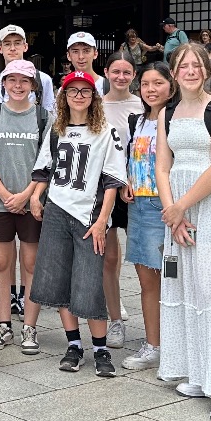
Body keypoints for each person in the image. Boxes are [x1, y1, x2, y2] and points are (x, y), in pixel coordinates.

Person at [157, 42, 211, 421]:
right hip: (176, 208)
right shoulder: (167, 111)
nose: (190, 71)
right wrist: (172, 211)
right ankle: (198, 370)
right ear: (174, 72)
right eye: (183, 65)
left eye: (196, 65)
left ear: (206, 70)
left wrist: (182, 206)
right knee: (185, 286)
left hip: (210, 206)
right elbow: (162, 165)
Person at [26, 70, 127, 376]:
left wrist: (102, 221)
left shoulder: (106, 132)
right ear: (64, 96)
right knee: (58, 282)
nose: (79, 96)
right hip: (57, 210)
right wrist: (35, 197)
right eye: (73, 91)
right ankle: (74, 345)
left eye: (85, 91)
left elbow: (112, 181)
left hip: (89, 215)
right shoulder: (57, 129)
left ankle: (100, 348)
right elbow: (45, 168)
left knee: (88, 281)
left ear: (93, 97)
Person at [0, 59, 46, 353]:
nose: (18, 86)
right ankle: (4, 326)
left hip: (33, 202)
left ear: (33, 86)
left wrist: (26, 195)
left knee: (31, 264)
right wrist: (6, 196)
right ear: (3, 83)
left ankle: (30, 327)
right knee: (1, 265)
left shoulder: (43, 117)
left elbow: (47, 161)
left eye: (24, 81)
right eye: (12, 80)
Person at [119, 61, 173, 372]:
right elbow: (132, 158)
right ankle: (153, 344)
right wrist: (128, 179)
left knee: (172, 279)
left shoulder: (176, 119)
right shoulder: (137, 121)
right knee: (146, 282)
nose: (151, 90)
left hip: (164, 208)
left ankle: (175, 342)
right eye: (146, 84)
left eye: (158, 83)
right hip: (137, 206)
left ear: (171, 86)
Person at [100, 50, 142, 348]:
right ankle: (114, 317)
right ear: (106, 72)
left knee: (145, 259)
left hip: (139, 187)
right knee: (109, 255)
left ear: (134, 75)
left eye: (127, 72)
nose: (121, 77)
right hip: (107, 187)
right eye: (116, 71)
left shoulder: (143, 104)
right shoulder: (97, 106)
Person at [0, 24, 56, 117]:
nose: (12, 48)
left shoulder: (43, 80)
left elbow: (49, 117)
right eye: (7, 44)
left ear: (25, 46)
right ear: (0, 48)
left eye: (17, 43)